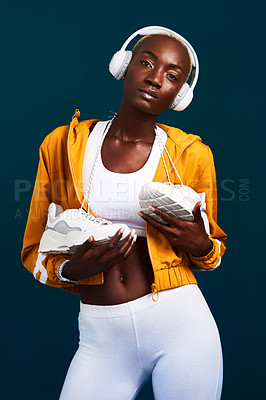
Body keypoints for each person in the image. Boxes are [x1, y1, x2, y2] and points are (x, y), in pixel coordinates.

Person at [21, 26, 227, 400]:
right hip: (101, 338)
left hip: (180, 326)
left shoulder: (192, 155)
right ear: (124, 66)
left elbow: (211, 253)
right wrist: (71, 271)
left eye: (171, 75)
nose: (154, 78)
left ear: (179, 94)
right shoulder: (63, 145)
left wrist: (200, 244)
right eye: (146, 63)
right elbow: (35, 248)